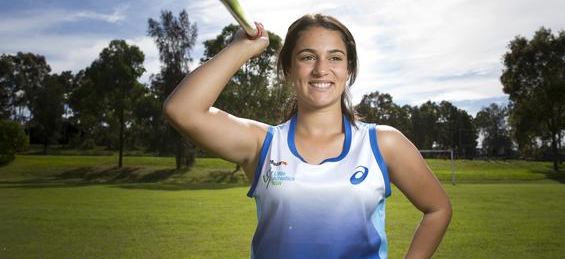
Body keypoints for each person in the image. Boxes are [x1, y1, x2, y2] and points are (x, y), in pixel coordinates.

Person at [163, 14, 452, 259]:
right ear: (288, 68)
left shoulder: (383, 143)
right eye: (307, 56)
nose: (321, 69)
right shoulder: (263, 143)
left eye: (335, 58)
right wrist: (241, 49)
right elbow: (182, 110)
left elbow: (438, 208)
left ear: (349, 69)